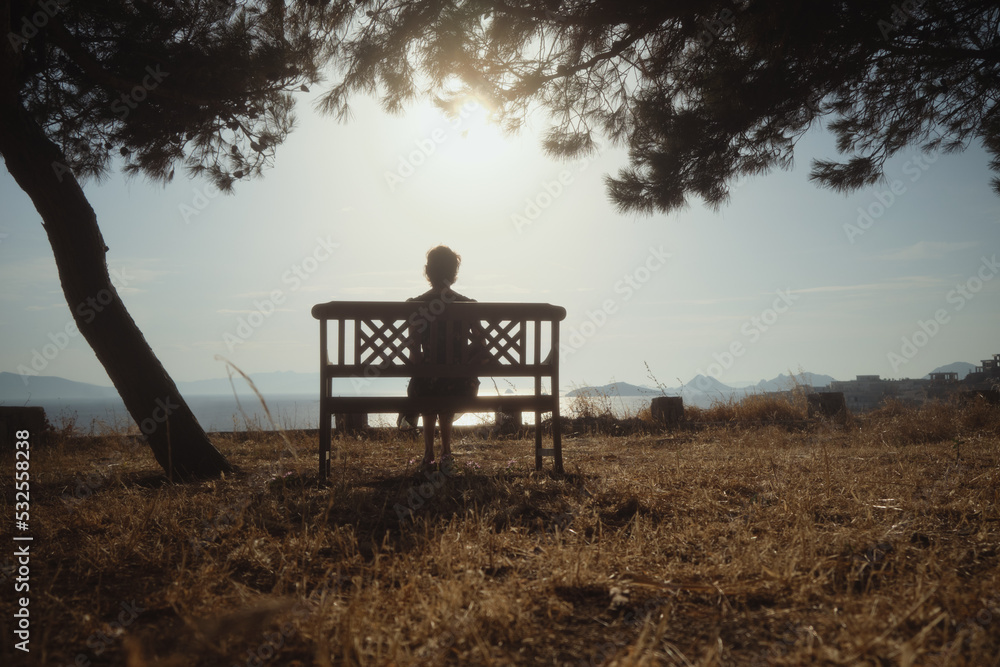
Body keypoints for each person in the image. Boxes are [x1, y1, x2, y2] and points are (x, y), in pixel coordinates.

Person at [402, 245, 481, 469]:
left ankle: (429, 453)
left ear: (428, 271)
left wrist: (421, 369)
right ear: (454, 273)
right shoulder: (468, 305)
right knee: (446, 381)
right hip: (460, 385)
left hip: (425, 386)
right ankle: (446, 451)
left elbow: (414, 353)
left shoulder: (414, 306)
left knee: (427, 379)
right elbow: (481, 345)